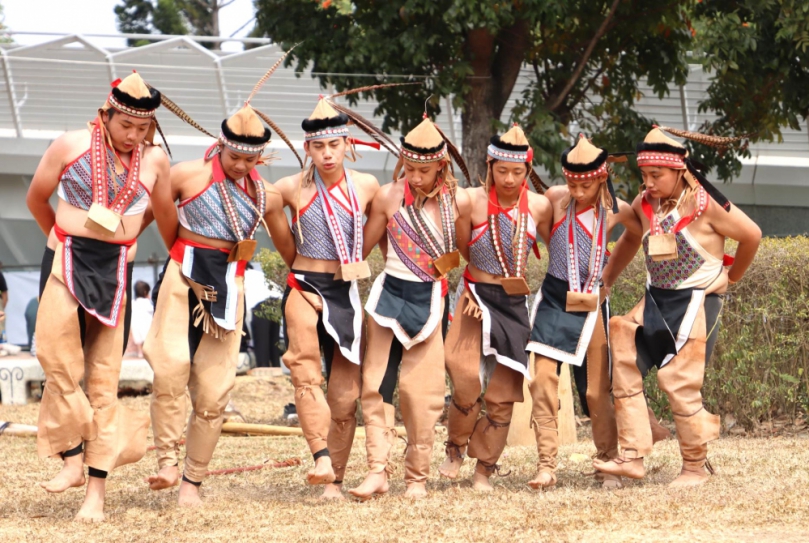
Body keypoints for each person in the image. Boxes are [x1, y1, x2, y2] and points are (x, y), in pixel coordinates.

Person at [143, 58, 297, 506]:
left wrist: (308, 278)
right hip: (184, 272)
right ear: (220, 146)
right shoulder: (187, 174)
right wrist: (178, 255)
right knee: (170, 367)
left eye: (251, 159)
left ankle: (193, 480)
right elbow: (156, 219)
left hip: (232, 283)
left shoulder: (264, 193)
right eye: (235, 157)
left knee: (214, 391)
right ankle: (167, 463)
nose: (241, 165)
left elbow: (287, 246)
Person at [26, 72, 171, 522]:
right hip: (65, 257)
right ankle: (71, 454)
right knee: (55, 358)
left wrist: (130, 236)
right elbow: (37, 198)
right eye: (126, 124)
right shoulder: (69, 144)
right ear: (105, 114)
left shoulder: (155, 161)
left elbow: (160, 212)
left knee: (104, 381)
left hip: (116, 269)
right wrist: (59, 236)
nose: (134, 135)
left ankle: (96, 493)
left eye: (142, 128)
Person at [593, 126, 761, 487]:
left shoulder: (707, 205)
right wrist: (606, 280)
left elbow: (752, 235)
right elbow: (631, 239)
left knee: (679, 383)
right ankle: (634, 453)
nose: (649, 182)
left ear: (679, 170)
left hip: (697, 302)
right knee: (621, 348)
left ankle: (694, 468)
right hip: (655, 298)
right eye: (644, 174)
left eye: (656, 175)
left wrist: (731, 278)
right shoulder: (644, 204)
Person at [523, 134, 661, 490]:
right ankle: (546, 465)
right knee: (541, 379)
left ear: (601, 177)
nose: (576, 191)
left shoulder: (616, 209)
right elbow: (531, 222)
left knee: (598, 391)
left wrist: (609, 277)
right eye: (571, 182)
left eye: (584, 184)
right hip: (554, 298)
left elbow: (635, 236)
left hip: (592, 303)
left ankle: (606, 461)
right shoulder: (555, 198)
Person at [350, 114, 471, 500]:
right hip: (389, 293)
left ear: (441, 166)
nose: (415, 178)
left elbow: (465, 253)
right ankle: (376, 470)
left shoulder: (459, 202)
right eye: (410, 169)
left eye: (424, 170)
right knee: (376, 384)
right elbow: (365, 248)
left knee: (423, 391)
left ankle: (416, 477)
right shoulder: (388, 196)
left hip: (432, 297)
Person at [270, 93, 383, 499]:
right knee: (304, 371)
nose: (327, 154)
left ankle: (333, 477)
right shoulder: (289, 187)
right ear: (307, 149)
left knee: (345, 394)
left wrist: (361, 256)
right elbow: (268, 213)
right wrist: (293, 260)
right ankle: (320, 456)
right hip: (303, 283)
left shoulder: (368, 186)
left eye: (334, 145)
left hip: (345, 290)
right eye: (318, 147)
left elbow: (382, 222)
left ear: (347, 144)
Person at [438, 124, 552, 491]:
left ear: (527, 170)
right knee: (465, 376)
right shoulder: (470, 200)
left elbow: (557, 246)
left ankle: (485, 468)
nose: (509, 178)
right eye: (502, 170)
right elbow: (460, 246)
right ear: (489, 165)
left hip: (514, 304)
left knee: (502, 394)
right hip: (474, 295)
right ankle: (455, 448)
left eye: (518, 172)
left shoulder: (538, 205)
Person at [130, 281, 153, 358]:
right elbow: (152, 310)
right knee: (147, 339)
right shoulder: (146, 302)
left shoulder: (133, 302)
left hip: (135, 324)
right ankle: (147, 352)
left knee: (138, 339)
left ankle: (140, 352)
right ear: (145, 292)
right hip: (146, 324)